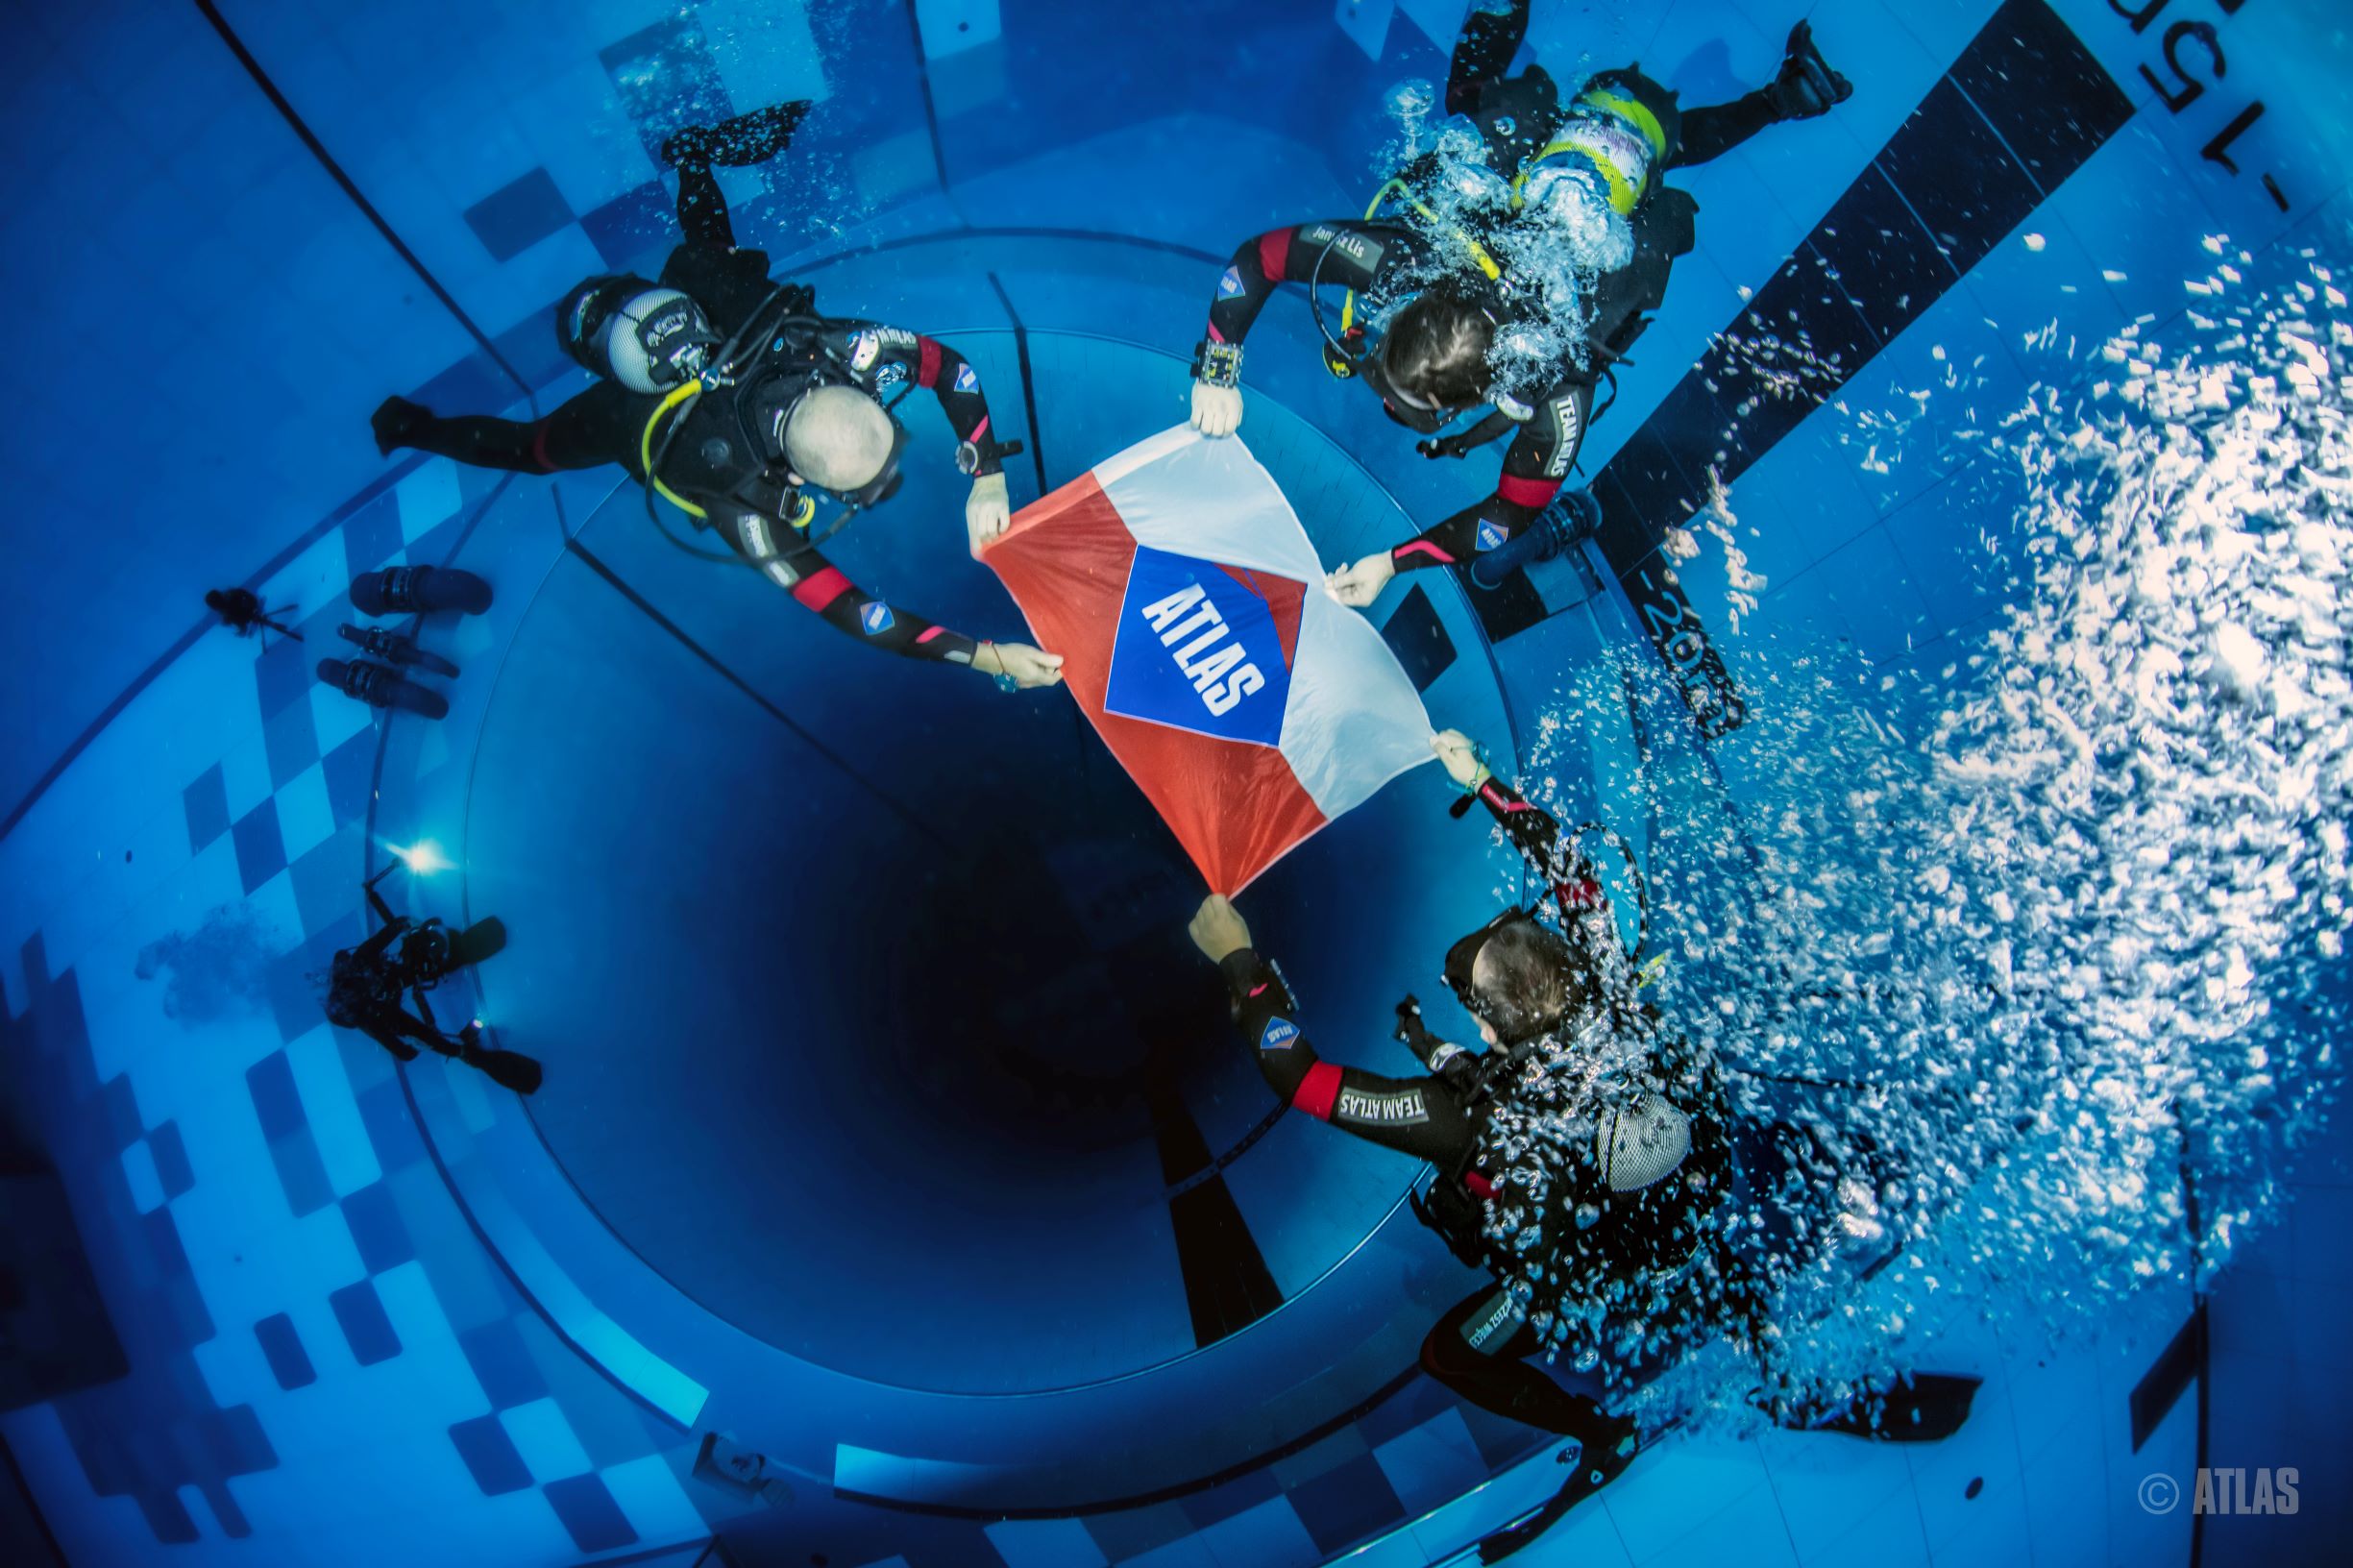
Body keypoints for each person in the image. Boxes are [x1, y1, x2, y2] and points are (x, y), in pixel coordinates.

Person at [1186, 729, 1973, 1542]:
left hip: (1598, 1271)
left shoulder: (1476, 1115)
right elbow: (1567, 866)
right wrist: (1483, 779)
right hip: (1694, 1198)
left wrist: (1237, 960)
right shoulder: (1608, 981)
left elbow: (1303, 1080)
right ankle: (1752, 1329)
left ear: (1489, 1032)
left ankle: (1602, 1435)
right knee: (1684, 1199)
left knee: (1448, 1355)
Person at [370, 101, 1061, 690]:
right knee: (533, 450)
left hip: (705, 301)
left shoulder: (837, 348)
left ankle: (692, 158)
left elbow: (949, 369)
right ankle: (411, 427)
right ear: (805, 482)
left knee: (712, 255)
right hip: (632, 408)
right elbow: (855, 614)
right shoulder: (743, 502)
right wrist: (990, 656)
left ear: (842, 383)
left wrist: (988, 477)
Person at [1186, 1, 1851, 606]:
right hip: (1610, 143)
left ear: (1462, 403)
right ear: (1413, 307)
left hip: (1631, 144)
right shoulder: (1430, 276)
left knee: (1655, 154)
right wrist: (1216, 369)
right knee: (1493, 111)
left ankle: (1780, 98)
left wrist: (1390, 563)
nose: (1387, 404)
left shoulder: (1547, 376)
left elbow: (1259, 259)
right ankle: (1777, 98)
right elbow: (1260, 256)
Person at [323, 864, 541, 1094]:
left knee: (441, 957)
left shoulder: (360, 965)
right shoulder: (375, 1017)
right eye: (370, 992)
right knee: (446, 960)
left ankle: (442, 956)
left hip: (404, 971)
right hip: (406, 979)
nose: (371, 987)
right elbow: (411, 1042)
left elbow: (393, 929)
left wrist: (408, 926)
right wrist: (452, 1050)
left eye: (366, 985)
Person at [206, 587, 300, 644]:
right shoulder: (230, 593)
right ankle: (270, 622)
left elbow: (243, 627)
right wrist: (254, 604)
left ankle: (270, 623)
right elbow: (245, 593)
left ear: (214, 607)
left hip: (251, 615)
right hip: (254, 605)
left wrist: (240, 633)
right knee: (259, 619)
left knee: (250, 630)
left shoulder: (227, 615)